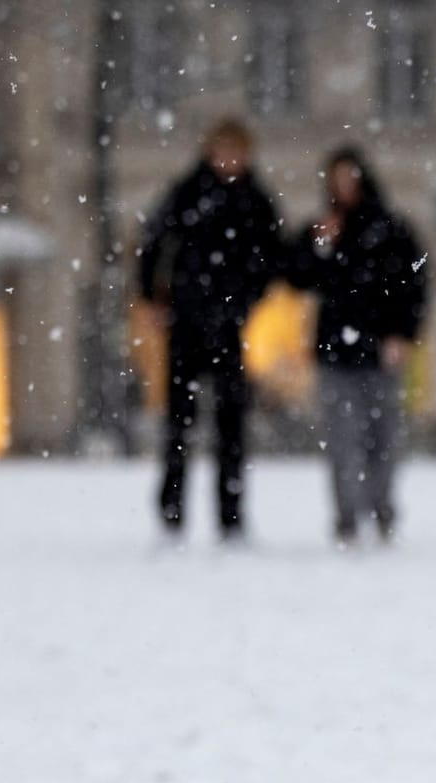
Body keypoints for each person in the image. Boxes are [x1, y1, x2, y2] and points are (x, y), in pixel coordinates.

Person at [136, 118, 284, 537]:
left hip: (229, 325)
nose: (229, 160)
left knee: (230, 423)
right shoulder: (187, 192)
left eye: (236, 152)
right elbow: (154, 241)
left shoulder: (255, 200)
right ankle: (172, 506)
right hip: (186, 318)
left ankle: (230, 511)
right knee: (178, 421)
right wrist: (151, 295)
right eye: (223, 151)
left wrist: (247, 298)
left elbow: (270, 256)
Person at [288, 147, 427, 545]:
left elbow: (414, 282)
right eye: (336, 180)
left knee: (382, 439)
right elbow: (297, 277)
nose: (343, 188)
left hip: (382, 351)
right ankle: (347, 516)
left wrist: (403, 333)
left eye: (350, 179)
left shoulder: (394, 231)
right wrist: (317, 245)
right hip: (335, 351)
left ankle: (382, 511)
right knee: (342, 441)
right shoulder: (323, 230)